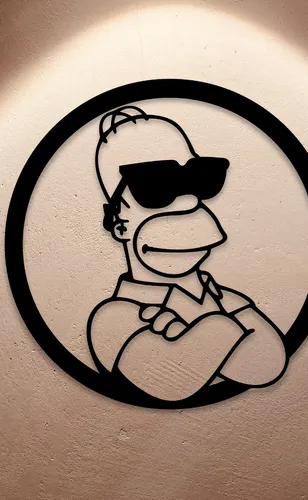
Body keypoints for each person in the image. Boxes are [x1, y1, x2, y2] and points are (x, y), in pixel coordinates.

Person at [87, 105, 288, 402]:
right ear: (118, 223)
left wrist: (198, 336)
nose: (186, 207)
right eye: (155, 188)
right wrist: (221, 325)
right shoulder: (113, 316)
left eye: (200, 180)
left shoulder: (222, 296)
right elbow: (169, 383)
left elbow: (268, 363)